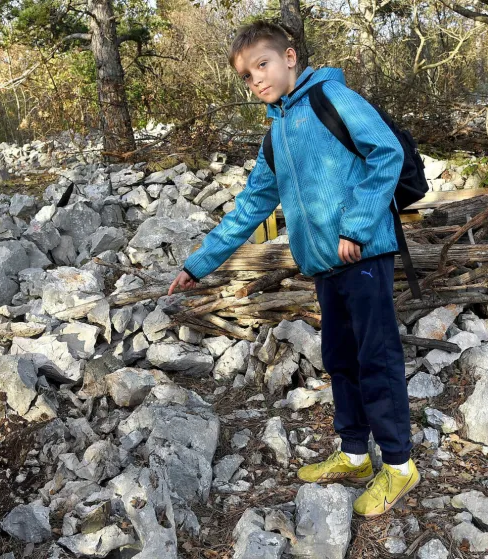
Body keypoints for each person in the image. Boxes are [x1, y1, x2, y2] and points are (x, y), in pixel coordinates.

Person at [166, 21, 418, 517]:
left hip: (364, 255)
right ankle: (353, 454)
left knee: (377, 358)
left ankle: (400, 465)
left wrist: (358, 226)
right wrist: (199, 264)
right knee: (340, 358)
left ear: (289, 57)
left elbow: (385, 152)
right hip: (325, 266)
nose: (256, 79)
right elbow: (248, 208)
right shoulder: (275, 134)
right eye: (245, 75)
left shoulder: (332, 98)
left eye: (262, 64)